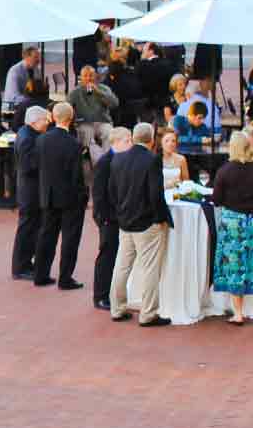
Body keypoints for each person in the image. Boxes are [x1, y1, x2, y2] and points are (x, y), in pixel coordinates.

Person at [108, 123, 174, 327]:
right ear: (152, 139)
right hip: (146, 222)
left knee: (122, 266)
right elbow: (156, 194)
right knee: (150, 268)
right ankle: (148, 313)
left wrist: (120, 212)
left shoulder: (118, 158)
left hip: (125, 220)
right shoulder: (152, 160)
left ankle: (117, 308)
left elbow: (112, 190)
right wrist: (161, 218)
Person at [212, 131, 253, 324]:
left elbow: (216, 199)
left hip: (232, 222)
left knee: (234, 264)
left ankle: (238, 312)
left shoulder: (224, 171)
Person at [35, 103, 87, 290]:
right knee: (70, 238)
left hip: (48, 194)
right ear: (70, 118)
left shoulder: (42, 140)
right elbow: (77, 176)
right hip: (69, 197)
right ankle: (65, 277)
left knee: (47, 235)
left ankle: (40, 273)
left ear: (54, 117)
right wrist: (83, 196)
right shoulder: (73, 143)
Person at [90, 127, 134, 312]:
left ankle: (116, 293)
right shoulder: (104, 163)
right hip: (109, 217)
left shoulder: (126, 160)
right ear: (115, 142)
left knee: (119, 256)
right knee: (107, 255)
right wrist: (103, 218)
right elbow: (98, 194)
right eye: (127, 140)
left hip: (123, 216)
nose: (130, 143)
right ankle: (100, 295)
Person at [12, 106, 52, 281]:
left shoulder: (28, 134)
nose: (47, 122)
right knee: (27, 228)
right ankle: (21, 266)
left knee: (32, 228)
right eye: (44, 119)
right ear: (35, 121)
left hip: (32, 189)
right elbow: (29, 164)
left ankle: (27, 263)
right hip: (30, 190)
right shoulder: (27, 138)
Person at [69, 66, 118, 159]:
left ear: (95, 76)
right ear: (81, 77)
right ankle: (98, 164)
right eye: (85, 76)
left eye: (91, 75)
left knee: (109, 134)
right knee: (88, 138)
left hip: (103, 121)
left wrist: (98, 92)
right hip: (84, 123)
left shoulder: (104, 88)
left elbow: (115, 104)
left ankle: (106, 161)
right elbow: (68, 107)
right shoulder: (75, 91)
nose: (88, 78)